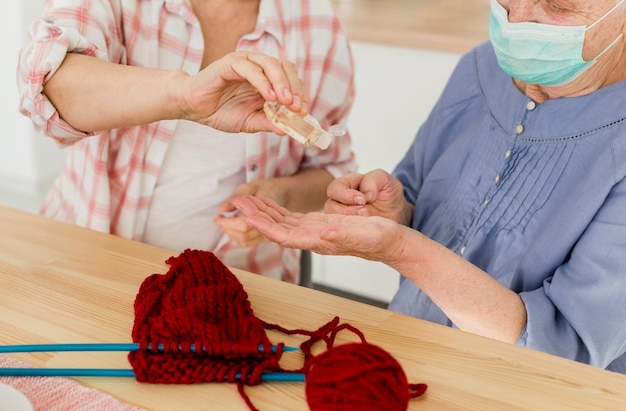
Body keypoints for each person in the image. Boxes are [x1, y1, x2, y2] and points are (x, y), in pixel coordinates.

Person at [233, 0, 626, 373]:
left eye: (558, 5)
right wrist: (394, 212)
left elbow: (565, 349)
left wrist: (401, 248)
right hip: (406, 357)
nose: (517, 20)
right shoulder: (480, 68)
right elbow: (422, 200)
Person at [16, 0, 356, 284]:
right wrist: (184, 96)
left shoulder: (320, 28)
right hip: (89, 266)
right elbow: (47, 86)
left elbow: (332, 170)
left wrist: (282, 196)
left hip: (242, 286)